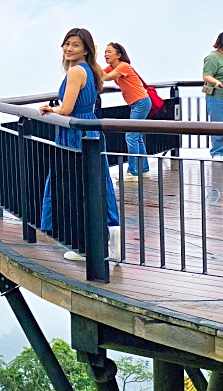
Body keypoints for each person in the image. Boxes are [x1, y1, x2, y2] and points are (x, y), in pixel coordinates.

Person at [38, 28, 121, 261]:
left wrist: (51, 109)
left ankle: (86, 248)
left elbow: (66, 109)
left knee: (75, 187)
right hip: (90, 127)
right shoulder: (92, 70)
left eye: (75, 45)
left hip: (75, 133)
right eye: (66, 44)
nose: (68, 49)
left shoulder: (76, 72)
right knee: (95, 184)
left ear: (86, 48)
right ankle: (109, 241)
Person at [101, 42, 151, 182]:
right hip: (137, 103)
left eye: (109, 52)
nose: (106, 54)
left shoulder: (123, 66)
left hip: (140, 102)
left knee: (131, 136)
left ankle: (133, 172)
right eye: (105, 52)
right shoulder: (112, 67)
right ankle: (144, 169)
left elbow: (105, 77)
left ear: (118, 54)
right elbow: (99, 74)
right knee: (137, 137)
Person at [202, 32, 223, 159]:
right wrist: (216, 82)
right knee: (219, 123)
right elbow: (206, 75)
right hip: (218, 96)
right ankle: (217, 152)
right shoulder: (212, 57)